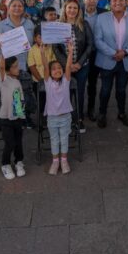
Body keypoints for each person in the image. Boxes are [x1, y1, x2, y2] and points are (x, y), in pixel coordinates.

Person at [94, 0, 128, 128]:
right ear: (110, 3)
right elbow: (98, 40)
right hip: (107, 59)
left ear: (125, 2)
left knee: (121, 90)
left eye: (120, 0)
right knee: (105, 89)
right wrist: (114, 53)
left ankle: (122, 113)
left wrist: (125, 52)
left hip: (125, 60)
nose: (117, 3)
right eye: (114, 1)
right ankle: (102, 113)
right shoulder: (101, 18)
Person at [0, 0, 36, 128]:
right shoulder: (1, 26)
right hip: (9, 69)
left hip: (25, 66)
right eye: (14, 6)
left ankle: (26, 117)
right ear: (8, 8)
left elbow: (34, 44)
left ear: (24, 8)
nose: (17, 8)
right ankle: (17, 118)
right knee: (13, 96)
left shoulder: (29, 24)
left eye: (20, 6)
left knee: (27, 94)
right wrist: (1, 68)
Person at [53, 0, 93, 133]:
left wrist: (79, 63)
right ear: (64, 9)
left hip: (82, 66)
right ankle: (68, 119)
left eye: (75, 8)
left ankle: (80, 119)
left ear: (79, 10)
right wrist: (68, 65)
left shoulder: (84, 24)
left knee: (80, 93)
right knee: (66, 93)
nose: (72, 10)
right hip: (65, 67)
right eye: (69, 7)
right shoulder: (58, 25)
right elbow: (56, 48)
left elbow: (90, 45)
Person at [43, 42, 74, 175]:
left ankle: (64, 160)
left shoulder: (66, 81)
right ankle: (55, 161)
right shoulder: (48, 82)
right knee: (54, 140)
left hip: (65, 117)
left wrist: (70, 51)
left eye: (59, 68)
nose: (57, 70)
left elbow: (68, 65)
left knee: (64, 139)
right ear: (49, 73)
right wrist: (42, 52)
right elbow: (45, 66)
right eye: (54, 69)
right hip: (52, 118)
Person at [0, 45, 27, 180]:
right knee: (10, 143)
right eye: (14, 66)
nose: (18, 68)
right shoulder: (4, 80)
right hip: (6, 119)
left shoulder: (16, 80)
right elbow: (1, 66)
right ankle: (5, 164)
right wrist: (3, 51)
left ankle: (19, 161)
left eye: (17, 65)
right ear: (7, 70)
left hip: (18, 117)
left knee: (18, 141)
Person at [83, 0, 101, 122]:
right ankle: (76, 110)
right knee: (79, 83)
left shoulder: (104, 13)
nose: (92, 1)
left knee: (93, 83)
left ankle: (91, 108)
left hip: (97, 53)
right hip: (80, 54)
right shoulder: (77, 12)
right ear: (84, 0)